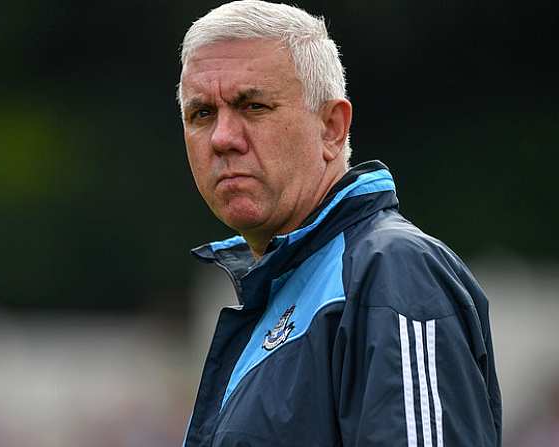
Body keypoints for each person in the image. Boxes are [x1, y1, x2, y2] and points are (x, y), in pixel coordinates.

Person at [177, 1, 502, 446]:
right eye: (202, 114)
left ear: (332, 128)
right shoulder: (279, 293)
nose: (222, 138)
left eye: (252, 106)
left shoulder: (392, 270)